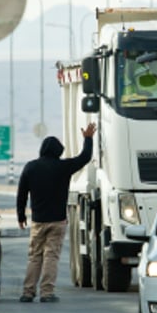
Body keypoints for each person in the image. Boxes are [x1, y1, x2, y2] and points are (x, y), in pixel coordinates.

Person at [15, 122, 97, 302]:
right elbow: (84, 157)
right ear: (58, 151)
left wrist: (21, 216)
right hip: (58, 221)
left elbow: (21, 193)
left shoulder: (30, 167)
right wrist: (88, 139)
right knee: (51, 256)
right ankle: (47, 293)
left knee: (35, 256)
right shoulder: (64, 167)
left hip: (38, 221)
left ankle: (28, 292)